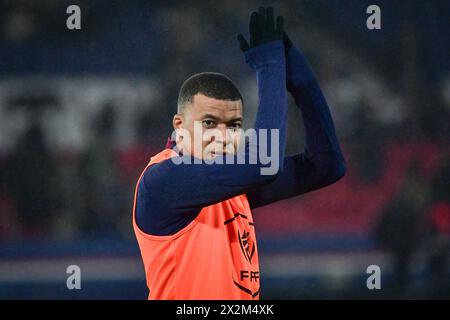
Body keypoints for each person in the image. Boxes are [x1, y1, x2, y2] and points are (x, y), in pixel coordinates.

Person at [132, 7, 346, 299]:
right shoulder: (163, 180)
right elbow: (264, 163)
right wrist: (270, 65)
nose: (223, 136)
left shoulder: (232, 188)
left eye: (234, 125)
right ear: (179, 126)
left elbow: (327, 165)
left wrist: (300, 78)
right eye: (209, 123)